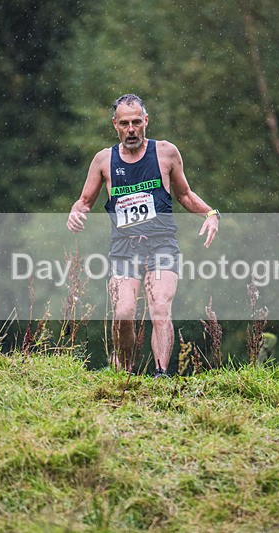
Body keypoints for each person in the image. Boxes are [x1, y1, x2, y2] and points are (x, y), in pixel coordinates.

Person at [67, 94, 220, 377]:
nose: (131, 129)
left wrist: (211, 214)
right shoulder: (104, 160)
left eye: (137, 122)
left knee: (159, 307)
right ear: (115, 125)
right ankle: (123, 372)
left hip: (162, 243)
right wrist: (76, 213)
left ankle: (161, 373)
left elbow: (184, 194)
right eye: (124, 123)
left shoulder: (165, 153)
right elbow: (85, 201)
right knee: (124, 313)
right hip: (124, 247)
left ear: (146, 121)